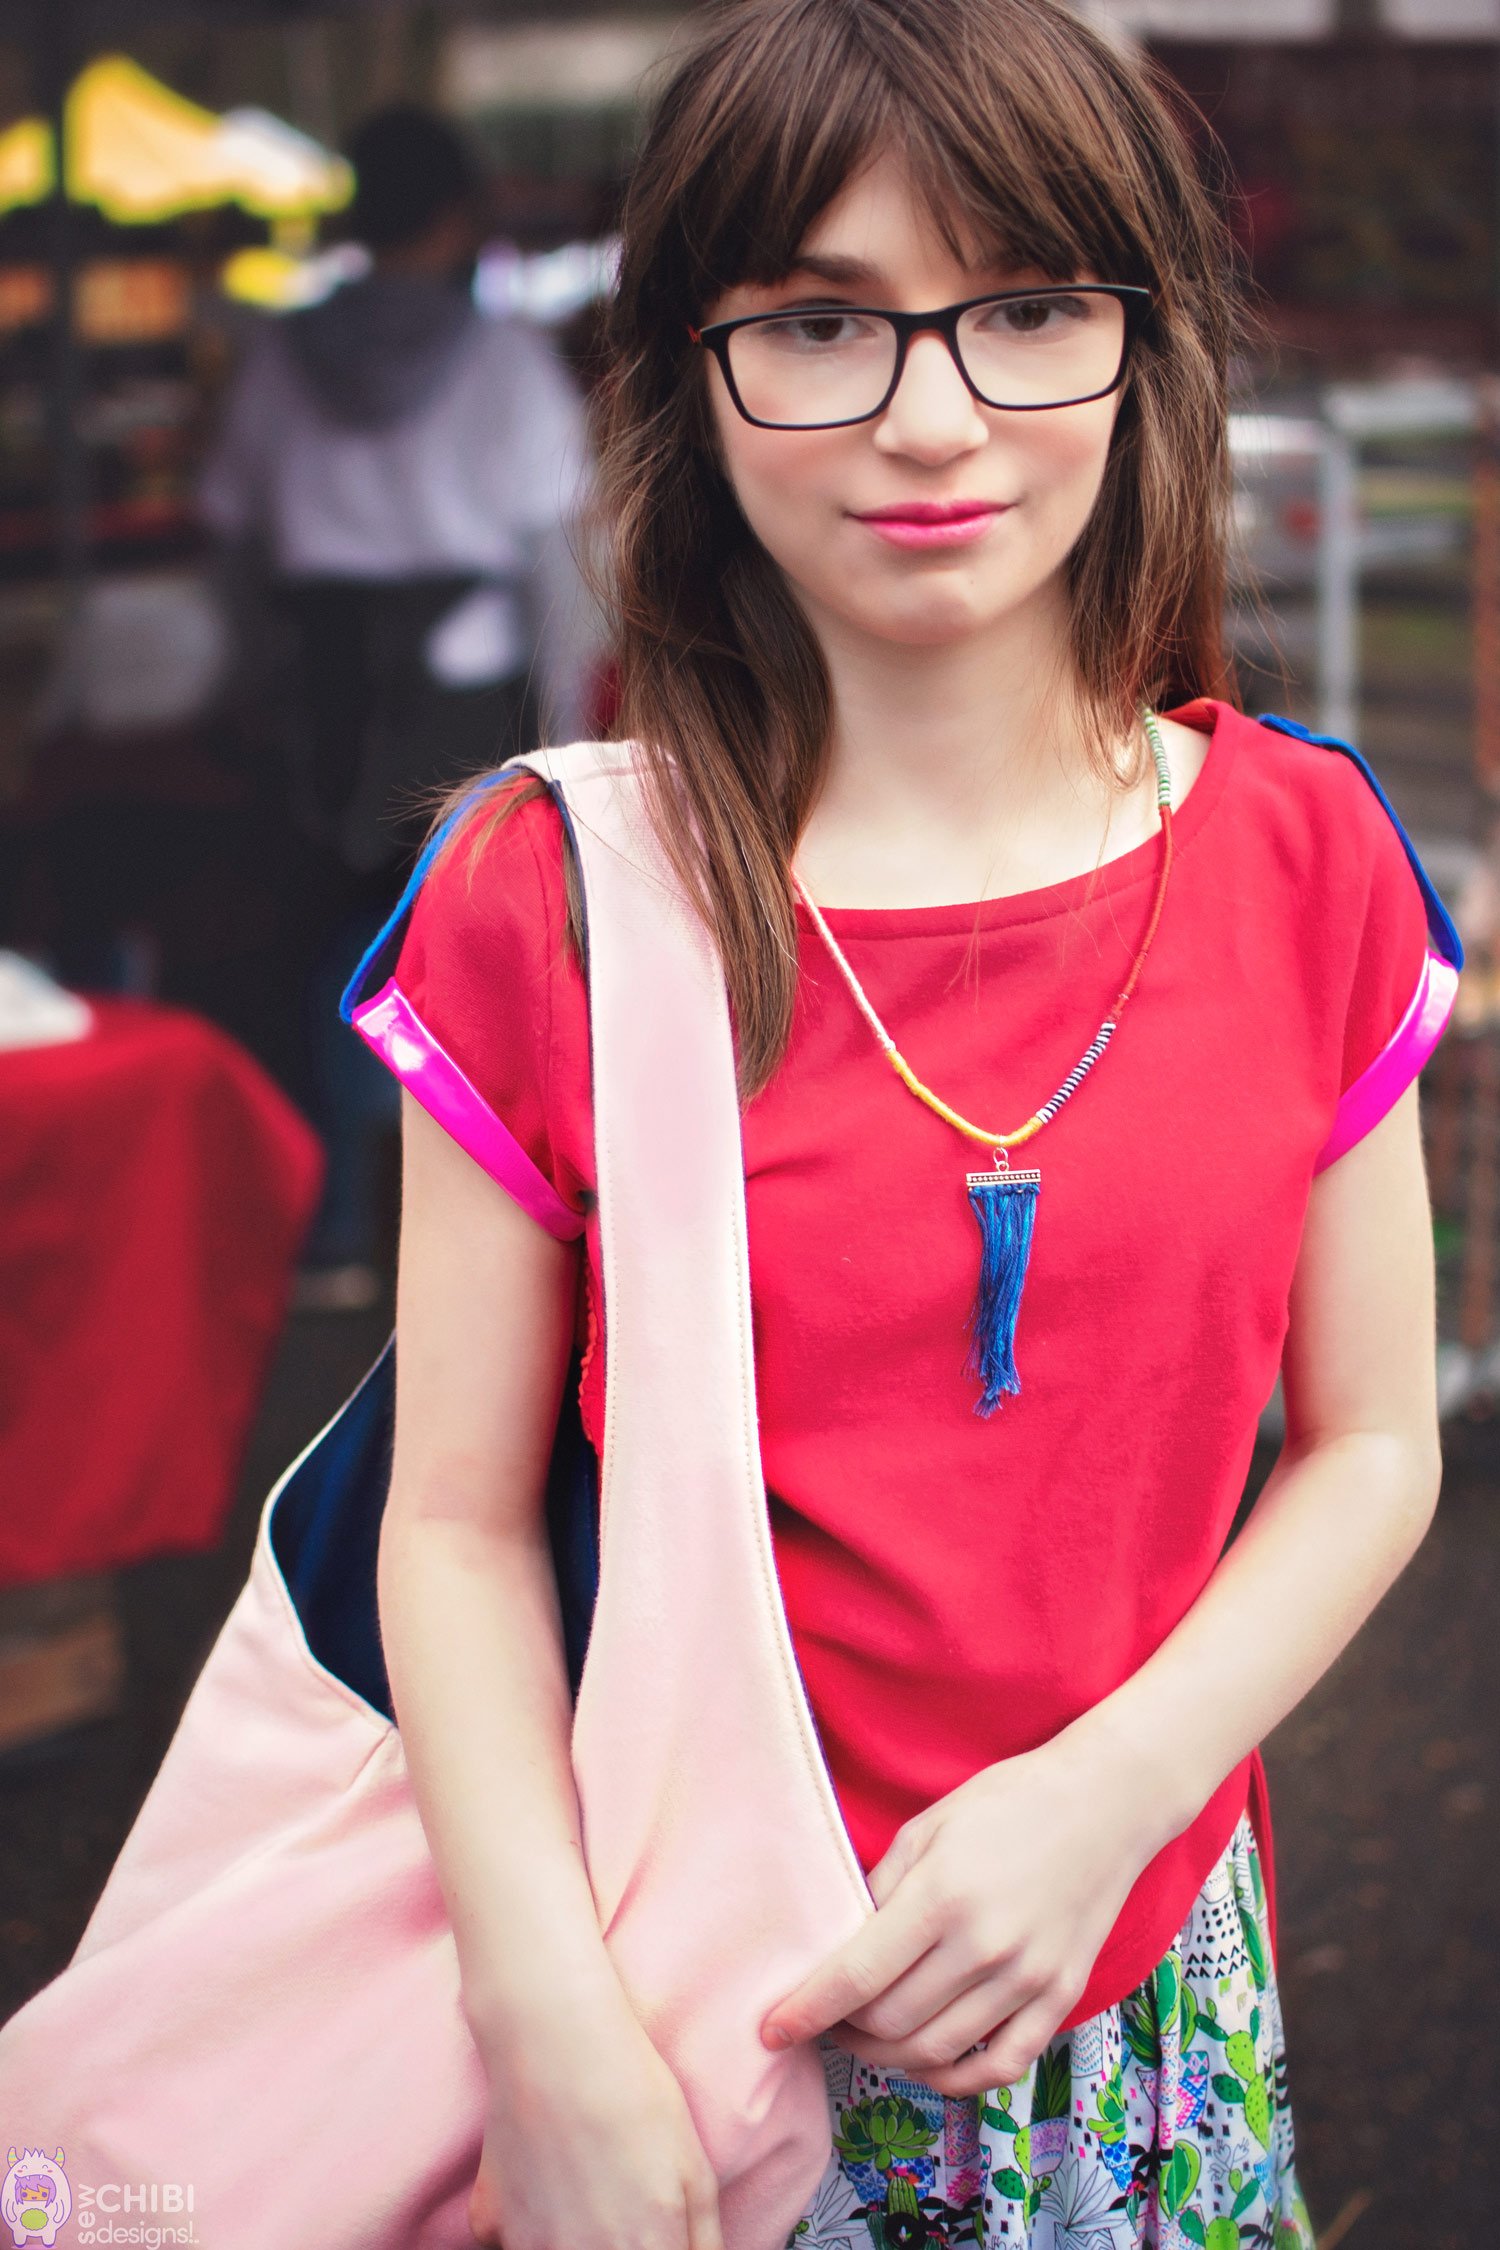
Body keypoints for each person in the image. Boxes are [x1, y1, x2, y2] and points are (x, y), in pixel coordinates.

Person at [370, 2, 1452, 2243]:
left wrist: (1116, 1794)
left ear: (1149, 347)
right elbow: (455, 1522)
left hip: (1146, 2000)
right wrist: (541, 2023)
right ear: (686, 369)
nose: (931, 418)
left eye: (1029, 307)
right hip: (668, 2015)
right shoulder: (551, 894)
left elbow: (1372, 1440)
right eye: (819, 325)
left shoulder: (1307, 852)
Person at [200, 105, 597, 1299]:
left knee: (323, 945)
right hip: (467, 693)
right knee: (469, 954)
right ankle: (454, 1244)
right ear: (461, 213)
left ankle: (327, 1232)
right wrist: (571, 725)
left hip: (322, 695)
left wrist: (248, 680)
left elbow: (233, 538)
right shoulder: (504, 359)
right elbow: (557, 562)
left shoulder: (279, 356)